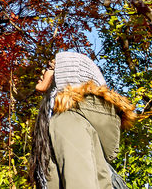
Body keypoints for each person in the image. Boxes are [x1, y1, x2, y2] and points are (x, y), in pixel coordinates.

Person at [28, 51, 137, 189]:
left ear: (63, 77)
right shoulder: (71, 121)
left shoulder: (68, 121)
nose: (44, 72)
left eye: (50, 68)